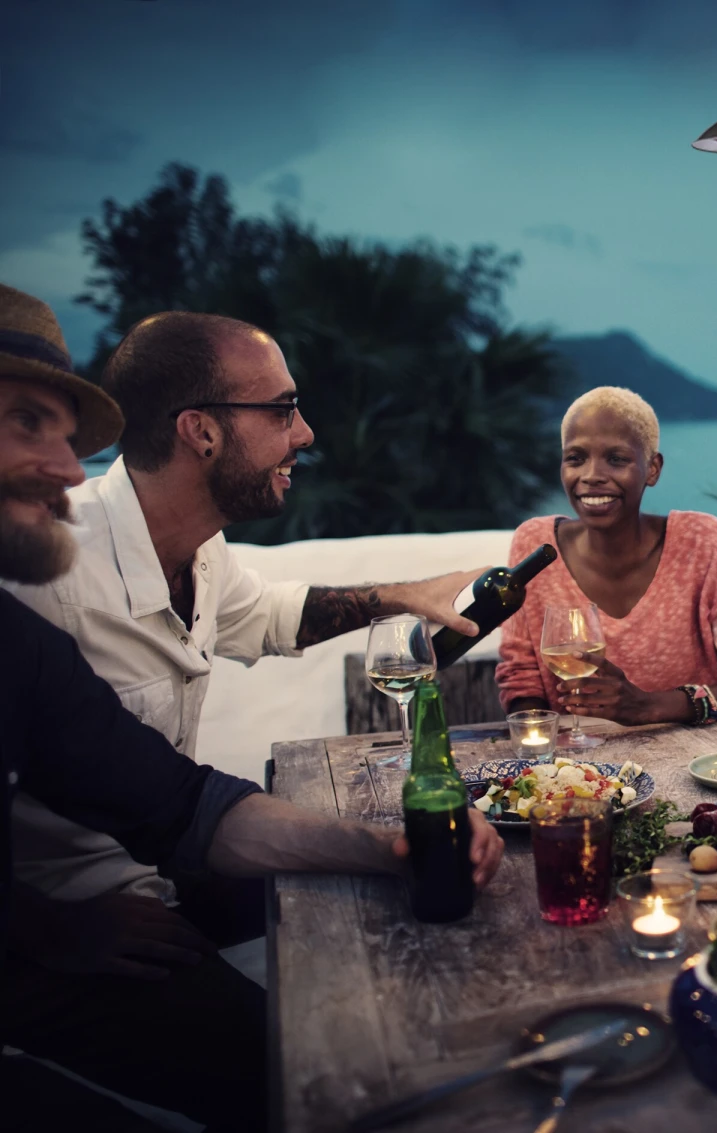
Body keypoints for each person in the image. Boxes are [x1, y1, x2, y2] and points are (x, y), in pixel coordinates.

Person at [0, 285, 502, 1130]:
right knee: (306, 1073)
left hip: (159, 869)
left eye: (62, 434)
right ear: (200, 430)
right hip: (79, 915)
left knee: (383, 900)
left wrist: (387, 847)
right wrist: (42, 927)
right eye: (282, 409)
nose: (305, 432)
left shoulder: (193, 554)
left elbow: (181, 793)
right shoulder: (40, 577)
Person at [496, 385, 717, 727]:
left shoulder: (701, 540)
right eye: (576, 458)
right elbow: (521, 678)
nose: (592, 476)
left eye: (616, 459)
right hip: (577, 759)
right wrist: (538, 744)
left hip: (698, 754)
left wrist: (650, 707)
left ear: (652, 469)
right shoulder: (535, 545)